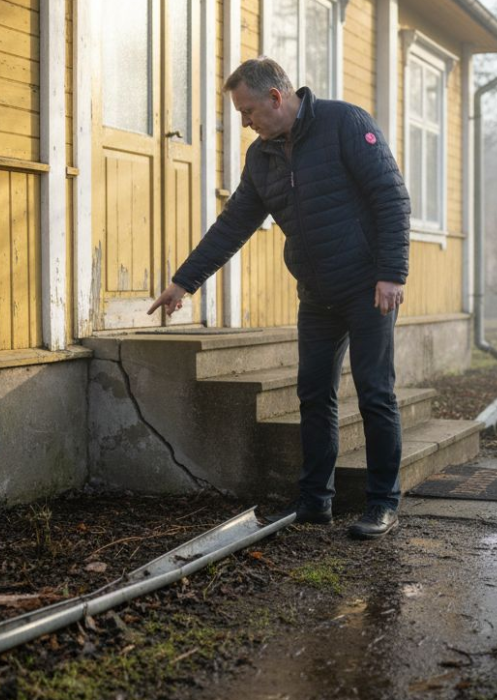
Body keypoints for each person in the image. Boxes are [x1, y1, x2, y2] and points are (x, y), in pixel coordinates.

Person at [147, 57, 410, 540]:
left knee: (374, 393)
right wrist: (185, 281)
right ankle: (316, 501)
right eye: (240, 115)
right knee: (313, 394)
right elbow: (233, 224)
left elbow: (391, 197)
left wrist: (392, 273)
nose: (245, 122)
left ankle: (382, 503)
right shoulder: (261, 157)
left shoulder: (344, 123)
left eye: (248, 111)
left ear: (276, 97)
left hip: (369, 286)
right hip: (317, 292)